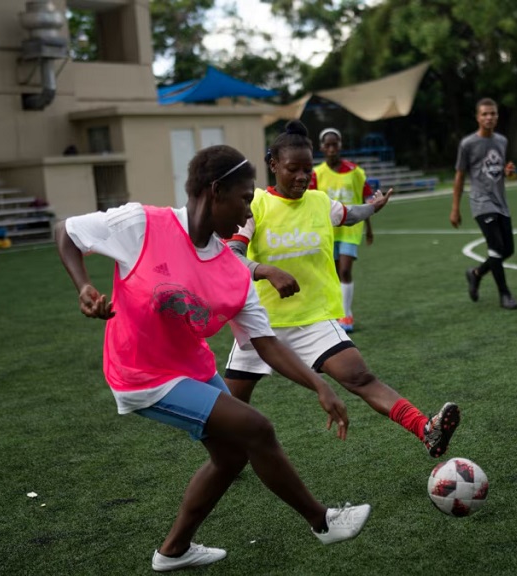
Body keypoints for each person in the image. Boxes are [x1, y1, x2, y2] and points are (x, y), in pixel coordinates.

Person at [56, 144, 371, 572]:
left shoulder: (233, 270)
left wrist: (320, 385)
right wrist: (83, 286)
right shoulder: (143, 223)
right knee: (256, 427)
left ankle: (173, 551)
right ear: (215, 190)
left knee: (233, 454)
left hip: (192, 368)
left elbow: (266, 343)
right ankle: (323, 522)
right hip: (139, 374)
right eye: (244, 198)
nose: (248, 212)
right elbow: (67, 231)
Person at [225, 120, 461, 458]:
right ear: (273, 165)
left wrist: (373, 207)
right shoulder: (256, 205)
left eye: (307, 169)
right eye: (293, 169)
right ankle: (225, 458)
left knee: (360, 377)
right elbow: (232, 254)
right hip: (260, 326)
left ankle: (426, 429)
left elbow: (349, 215)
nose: (302, 177)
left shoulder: (320, 202)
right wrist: (266, 270)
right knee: (230, 407)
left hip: (313, 320)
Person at [451, 97, 517, 310]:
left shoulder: (502, 141)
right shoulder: (468, 144)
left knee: (508, 249)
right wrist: (455, 208)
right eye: (485, 114)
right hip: (481, 202)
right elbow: (460, 176)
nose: (489, 117)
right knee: (496, 248)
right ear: (477, 117)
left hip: (501, 202)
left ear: (497, 116)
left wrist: (507, 172)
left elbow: (497, 171)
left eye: (493, 113)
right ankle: (505, 295)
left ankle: (476, 273)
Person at [310, 127, 374, 333]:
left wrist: (369, 228)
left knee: (345, 270)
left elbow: (365, 200)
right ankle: (338, 312)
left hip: (351, 229)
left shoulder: (355, 172)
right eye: (327, 145)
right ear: (321, 147)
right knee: (335, 273)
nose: (331, 149)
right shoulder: (316, 174)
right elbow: (310, 202)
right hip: (328, 230)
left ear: (340, 145)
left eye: (334, 144)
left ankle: (346, 314)